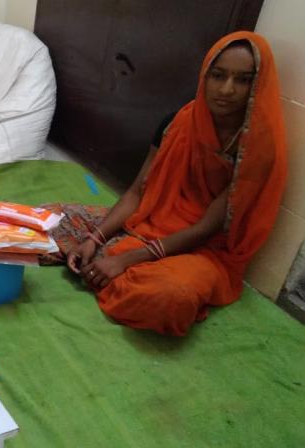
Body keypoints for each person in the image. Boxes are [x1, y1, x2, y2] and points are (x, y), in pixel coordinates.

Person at [48, 31, 287, 336]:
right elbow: (137, 192)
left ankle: (108, 267)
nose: (227, 89)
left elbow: (205, 229)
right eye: (218, 75)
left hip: (204, 250)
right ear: (205, 76)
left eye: (242, 80)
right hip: (149, 220)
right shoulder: (179, 123)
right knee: (48, 221)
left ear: (258, 86)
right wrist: (93, 239)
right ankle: (100, 258)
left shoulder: (257, 150)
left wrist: (126, 259)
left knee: (172, 298)